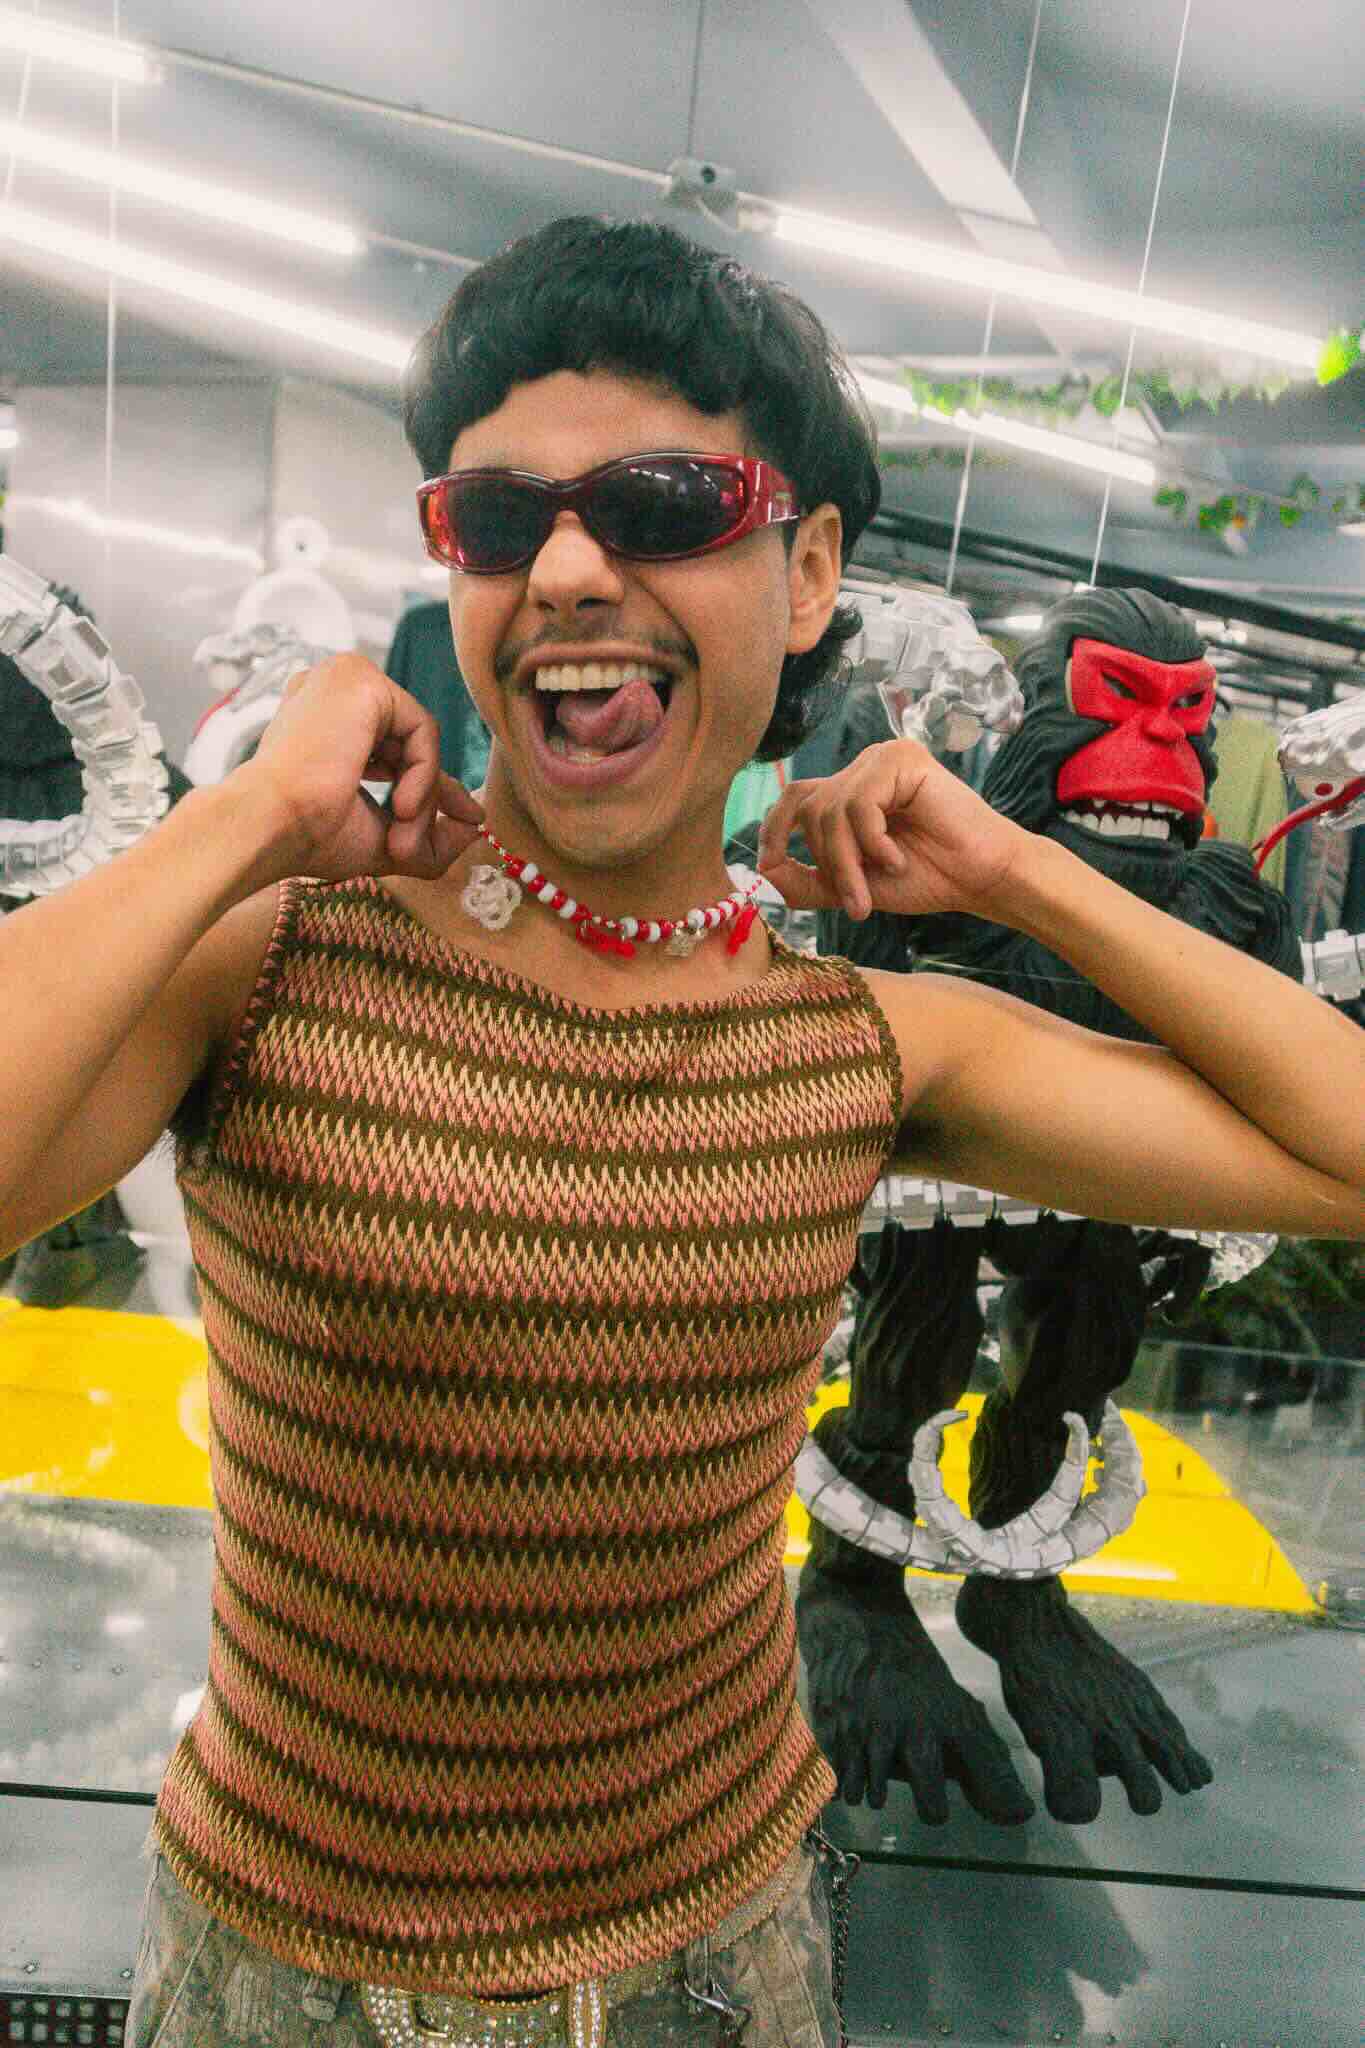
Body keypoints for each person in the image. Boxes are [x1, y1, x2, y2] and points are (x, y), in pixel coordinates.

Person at [0, 215, 1362, 2048]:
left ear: (805, 576)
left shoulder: (858, 1045)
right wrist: (232, 825)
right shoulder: (267, 956)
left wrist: (1016, 866)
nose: (564, 568)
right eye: (496, 519)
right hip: (286, 1959)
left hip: (708, 1965)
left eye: (658, 500)